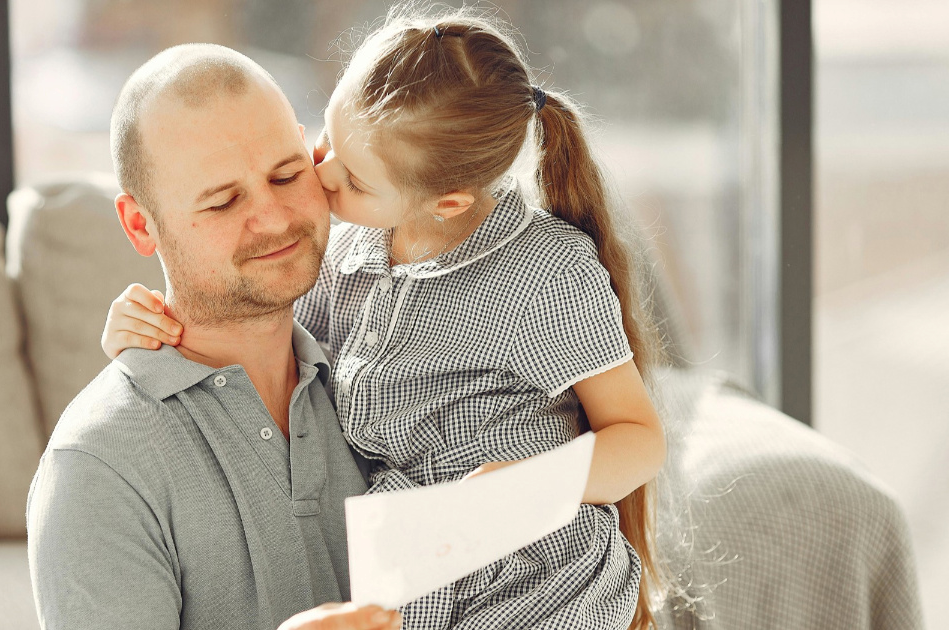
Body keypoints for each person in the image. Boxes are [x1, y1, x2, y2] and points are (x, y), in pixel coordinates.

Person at [101, 6, 667, 630]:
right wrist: (145, 324)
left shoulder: (544, 272)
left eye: (357, 180)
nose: (320, 177)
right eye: (325, 144)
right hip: (416, 570)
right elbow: (251, 331)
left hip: (539, 574)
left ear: (446, 202)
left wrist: (522, 487)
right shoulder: (346, 254)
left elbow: (639, 440)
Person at [25, 43, 401, 630]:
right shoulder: (100, 467)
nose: (275, 218)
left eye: (287, 173)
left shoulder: (388, 354)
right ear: (139, 225)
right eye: (223, 202)